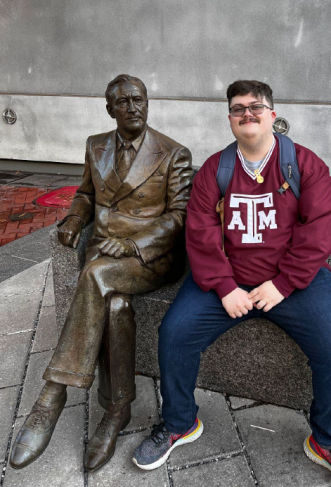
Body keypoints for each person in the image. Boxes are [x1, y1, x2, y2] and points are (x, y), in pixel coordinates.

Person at [132, 80, 331, 487]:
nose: (248, 114)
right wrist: (224, 287)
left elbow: (321, 229)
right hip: (228, 280)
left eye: (256, 107)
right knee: (175, 333)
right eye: (238, 108)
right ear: (229, 119)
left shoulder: (304, 165)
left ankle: (328, 442)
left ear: (272, 116)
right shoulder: (216, 169)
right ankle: (179, 423)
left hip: (294, 282)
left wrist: (284, 283)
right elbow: (200, 231)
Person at [10, 74, 193, 473]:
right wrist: (75, 220)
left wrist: (132, 244)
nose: (134, 108)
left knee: (94, 277)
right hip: (103, 253)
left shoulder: (173, 152)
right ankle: (117, 411)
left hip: (149, 256)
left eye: (139, 99)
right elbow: (86, 194)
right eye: (124, 102)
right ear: (110, 109)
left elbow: (180, 217)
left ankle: (51, 396)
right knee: (114, 307)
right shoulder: (96, 146)